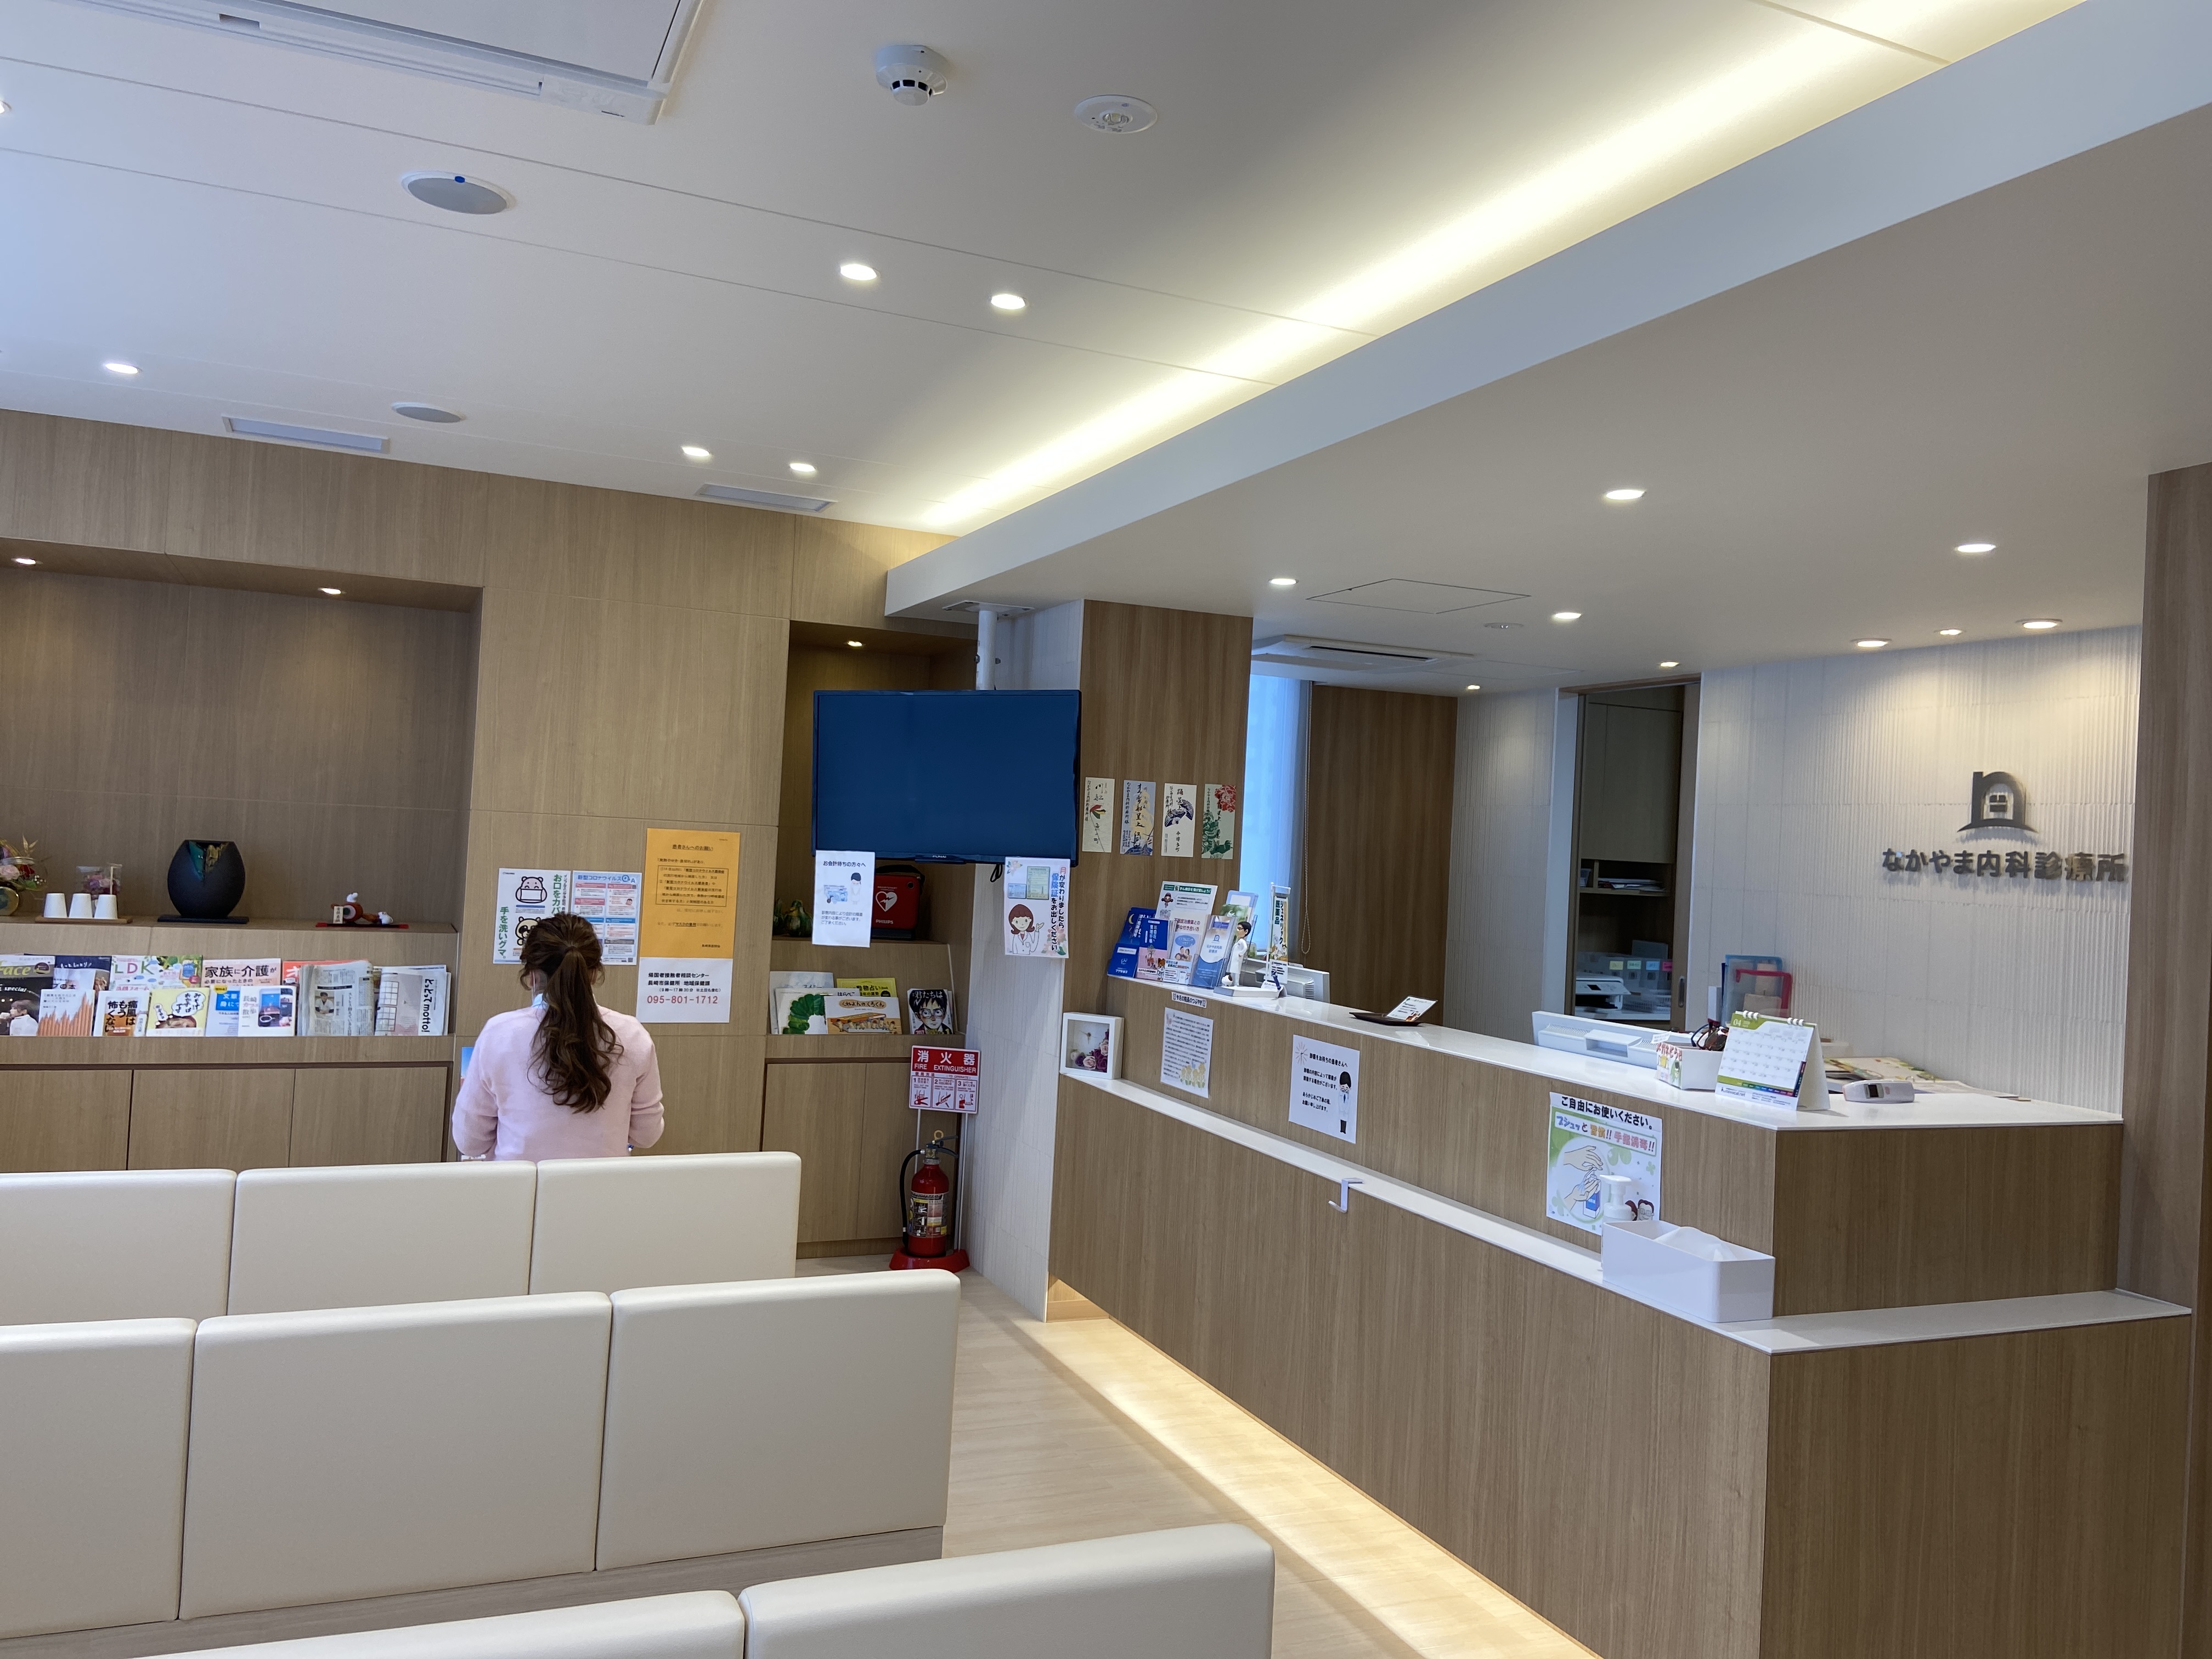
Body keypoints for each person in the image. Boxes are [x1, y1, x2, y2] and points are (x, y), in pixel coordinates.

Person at [452, 912, 663, 1160]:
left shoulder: (499, 1033)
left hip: (521, 1184)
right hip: (605, 1183)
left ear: (532, 975)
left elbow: (469, 1142)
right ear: (594, 974)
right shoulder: (632, 1034)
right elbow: (647, 1135)